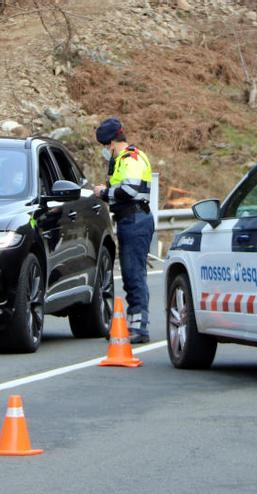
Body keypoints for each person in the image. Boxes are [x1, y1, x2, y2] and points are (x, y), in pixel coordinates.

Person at [93, 118, 155, 344]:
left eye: (104, 146)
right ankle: (133, 324)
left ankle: (139, 327)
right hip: (130, 220)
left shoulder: (131, 159)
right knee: (131, 274)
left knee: (133, 274)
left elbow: (129, 190)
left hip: (135, 219)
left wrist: (103, 193)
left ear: (110, 143)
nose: (104, 151)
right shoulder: (123, 159)